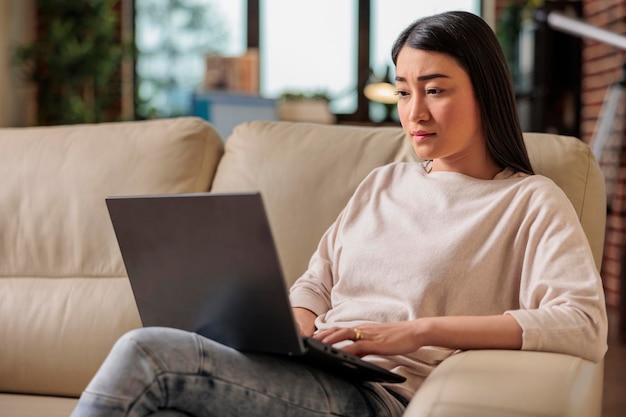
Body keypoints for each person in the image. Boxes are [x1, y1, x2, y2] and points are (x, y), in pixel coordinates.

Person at [71, 10, 607, 417]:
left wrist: (417, 332)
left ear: (487, 93)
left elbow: (582, 324)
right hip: (312, 370)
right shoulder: (383, 183)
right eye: (402, 92)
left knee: (148, 355)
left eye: (435, 90)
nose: (414, 112)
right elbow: (314, 284)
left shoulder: (529, 201)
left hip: (376, 395)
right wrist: (295, 334)